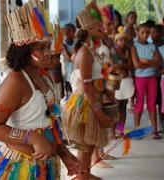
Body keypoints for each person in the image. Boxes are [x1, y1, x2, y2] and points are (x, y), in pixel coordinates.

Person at [0, 0, 82, 179]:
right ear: (24, 51)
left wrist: (64, 153)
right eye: (40, 48)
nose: (47, 53)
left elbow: (51, 122)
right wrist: (32, 138)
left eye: (47, 47)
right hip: (20, 166)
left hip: (45, 167)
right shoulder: (15, 81)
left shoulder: (45, 77)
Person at [62, 0, 115, 179]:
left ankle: (85, 175)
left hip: (92, 99)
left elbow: (94, 81)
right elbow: (86, 87)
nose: (103, 27)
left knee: (90, 145)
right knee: (85, 147)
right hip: (85, 103)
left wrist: (105, 91)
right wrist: (99, 113)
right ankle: (82, 177)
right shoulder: (84, 53)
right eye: (99, 25)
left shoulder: (91, 50)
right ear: (90, 28)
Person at [131, 23, 162, 139]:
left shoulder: (152, 46)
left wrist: (146, 61)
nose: (145, 35)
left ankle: (154, 130)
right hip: (140, 79)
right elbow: (137, 65)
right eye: (142, 32)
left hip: (152, 78)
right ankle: (137, 129)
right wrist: (152, 62)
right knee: (139, 104)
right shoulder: (134, 47)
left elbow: (159, 63)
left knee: (152, 104)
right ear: (138, 33)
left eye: (147, 32)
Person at [111, 27, 134, 138]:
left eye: (125, 40)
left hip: (125, 81)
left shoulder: (127, 52)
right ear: (116, 41)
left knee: (123, 108)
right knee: (114, 107)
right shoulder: (113, 52)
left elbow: (130, 66)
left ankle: (120, 130)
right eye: (121, 40)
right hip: (115, 82)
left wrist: (120, 65)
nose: (123, 42)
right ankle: (112, 131)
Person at [150, 24, 164, 132]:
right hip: (153, 77)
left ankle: (161, 122)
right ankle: (159, 123)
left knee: (161, 101)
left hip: (161, 76)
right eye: (151, 33)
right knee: (156, 100)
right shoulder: (150, 46)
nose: (152, 35)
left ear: (161, 33)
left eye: (154, 33)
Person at [62, 23, 76, 96]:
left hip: (76, 74)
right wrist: (75, 50)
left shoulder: (76, 42)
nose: (74, 33)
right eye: (73, 31)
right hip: (69, 75)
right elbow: (68, 58)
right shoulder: (63, 45)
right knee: (70, 96)